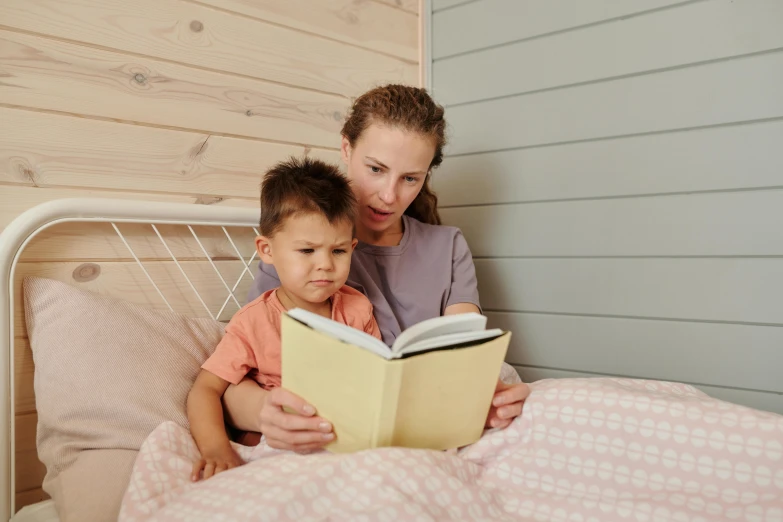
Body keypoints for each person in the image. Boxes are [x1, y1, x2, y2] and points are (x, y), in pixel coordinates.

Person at [222, 84, 530, 454]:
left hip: (429, 431)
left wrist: (484, 394)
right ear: (346, 149)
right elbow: (233, 381)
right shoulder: (300, 256)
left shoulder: (448, 246)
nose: (389, 195)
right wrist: (263, 414)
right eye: (375, 169)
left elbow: (462, 352)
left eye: (410, 178)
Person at [187, 157, 382, 480]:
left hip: (348, 441)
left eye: (338, 251)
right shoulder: (253, 322)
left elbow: (378, 375)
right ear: (267, 250)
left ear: (352, 247)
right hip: (279, 447)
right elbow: (205, 389)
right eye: (307, 251)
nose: (325, 265)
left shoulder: (357, 308)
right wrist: (216, 448)